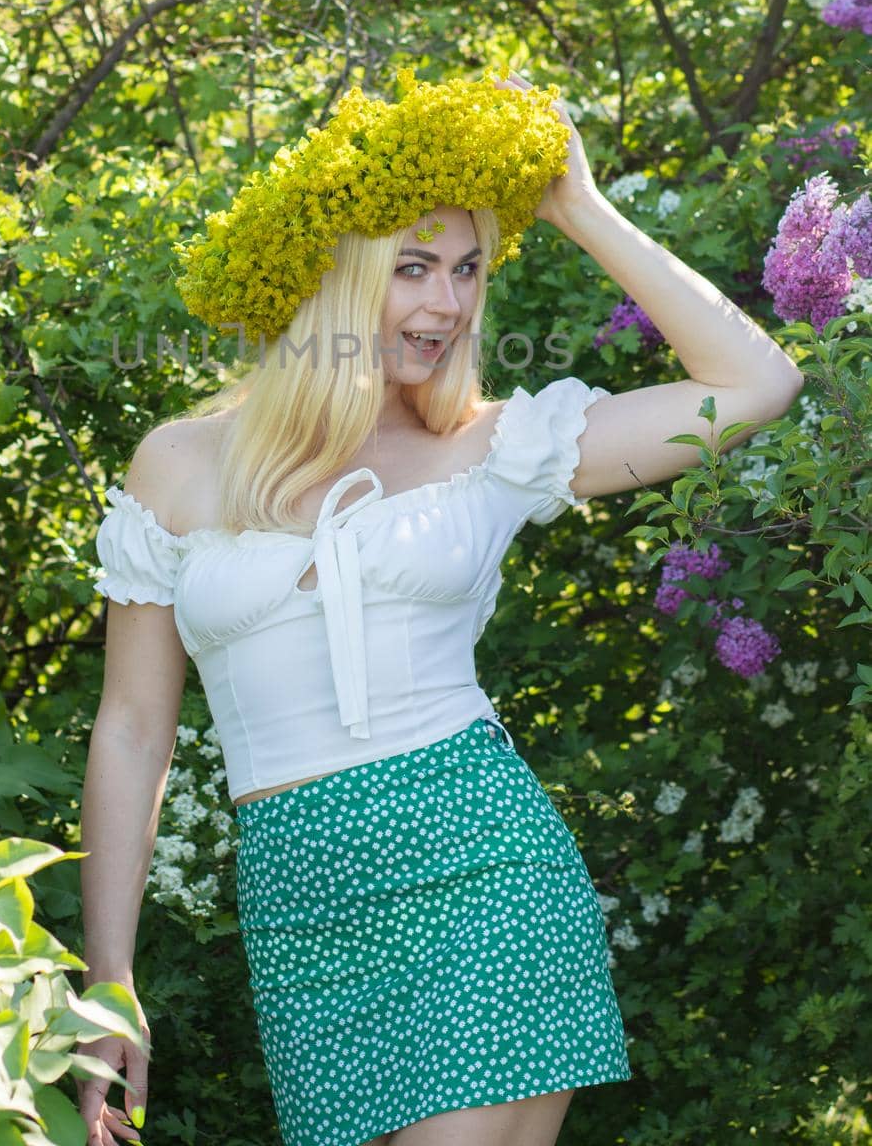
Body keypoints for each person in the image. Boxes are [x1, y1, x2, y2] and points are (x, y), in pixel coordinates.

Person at [75, 69, 803, 1146]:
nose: (446, 302)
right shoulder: (178, 466)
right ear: (332, 275)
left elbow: (753, 384)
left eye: (465, 269)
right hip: (300, 911)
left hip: (482, 874)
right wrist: (110, 975)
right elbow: (134, 729)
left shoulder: (490, 447)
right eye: (411, 267)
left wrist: (576, 205)